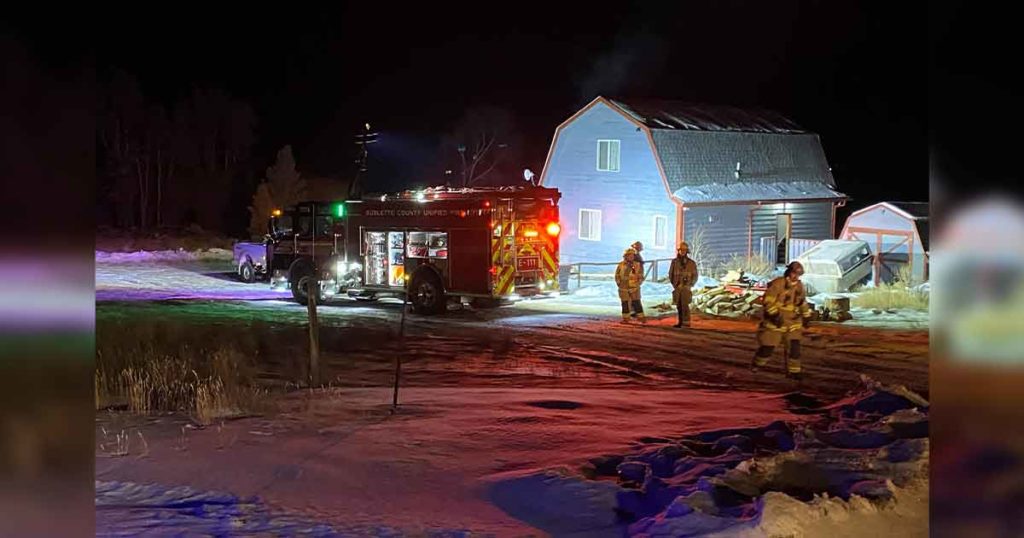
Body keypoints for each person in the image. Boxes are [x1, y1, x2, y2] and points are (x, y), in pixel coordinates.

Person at [751, 261, 813, 380]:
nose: (795, 277)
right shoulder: (778, 283)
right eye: (794, 273)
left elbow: (802, 302)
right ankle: (757, 365)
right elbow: (768, 301)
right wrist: (774, 315)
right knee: (767, 348)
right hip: (775, 323)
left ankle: (794, 372)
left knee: (794, 348)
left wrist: (806, 316)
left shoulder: (799, 286)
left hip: (793, 323)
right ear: (788, 272)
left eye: (798, 275)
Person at [668, 241, 699, 328]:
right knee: (678, 305)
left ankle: (686, 323)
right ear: (679, 251)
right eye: (681, 250)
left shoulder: (691, 263)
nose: (683, 252)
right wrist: (674, 284)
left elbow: (695, 275)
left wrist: (690, 284)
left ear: (686, 251)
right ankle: (680, 322)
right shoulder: (674, 262)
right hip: (677, 287)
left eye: (684, 250)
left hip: (686, 287)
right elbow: (670, 274)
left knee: (685, 305)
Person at [615, 247, 646, 322]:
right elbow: (617, 274)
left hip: (634, 287)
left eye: (632, 255)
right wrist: (619, 283)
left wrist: (638, 283)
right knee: (624, 303)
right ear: (625, 256)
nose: (631, 257)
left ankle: (641, 318)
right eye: (629, 255)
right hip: (623, 287)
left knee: (636, 302)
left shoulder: (637, 265)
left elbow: (641, 276)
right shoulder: (621, 265)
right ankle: (626, 318)